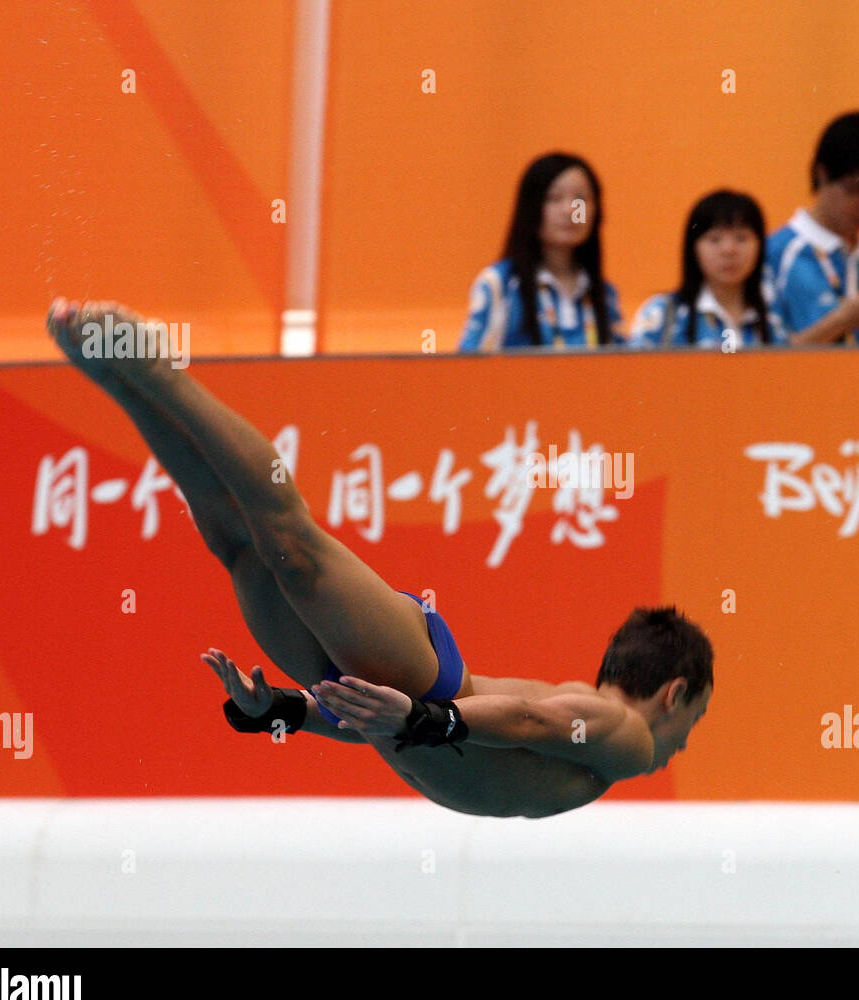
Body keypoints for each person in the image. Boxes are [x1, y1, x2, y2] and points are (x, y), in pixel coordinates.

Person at [45, 298, 711, 819]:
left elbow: (384, 727)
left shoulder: (577, 726)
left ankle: (117, 377)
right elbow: (528, 722)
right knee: (291, 546)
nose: (682, 746)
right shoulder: (628, 736)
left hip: (395, 700)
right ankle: (159, 370)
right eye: (694, 722)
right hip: (425, 682)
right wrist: (432, 717)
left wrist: (284, 711)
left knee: (238, 546)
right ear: (673, 694)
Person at [458, 153, 625, 350]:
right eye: (553, 198)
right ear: (530, 208)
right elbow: (469, 369)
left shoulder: (604, 294)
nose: (569, 210)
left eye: (580, 199)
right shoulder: (500, 285)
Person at [767, 111, 859, 347]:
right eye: (856, 190)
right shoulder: (775, 255)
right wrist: (841, 320)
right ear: (822, 174)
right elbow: (762, 361)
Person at [628, 190, 784, 349]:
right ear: (693, 248)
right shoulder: (663, 314)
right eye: (714, 239)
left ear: (760, 245)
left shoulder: (776, 317)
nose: (728, 250)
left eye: (741, 238)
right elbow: (632, 372)